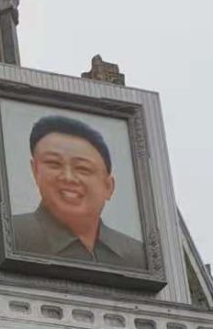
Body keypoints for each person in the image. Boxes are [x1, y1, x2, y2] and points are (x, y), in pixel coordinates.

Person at [12, 114, 145, 268]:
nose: (68, 178)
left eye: (83, 169)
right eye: (54, 164)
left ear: (108, 187)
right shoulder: (11, 234)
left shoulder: (137, 256)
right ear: (35, 171)